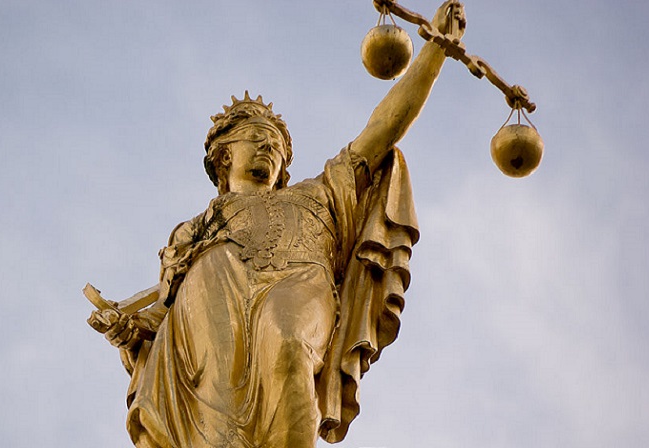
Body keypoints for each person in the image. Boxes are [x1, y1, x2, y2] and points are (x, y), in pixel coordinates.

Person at [90, 2, 465, 446]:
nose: (269, 148)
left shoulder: (317, 195)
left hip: (297, 283)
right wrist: (130, 328)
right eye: (257, 139)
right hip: (209, 320)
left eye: (277, 146)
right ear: (224, 155)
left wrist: (435, 51)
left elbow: (383, 128)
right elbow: (166, 306)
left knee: (287, 341)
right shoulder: (191, 230)